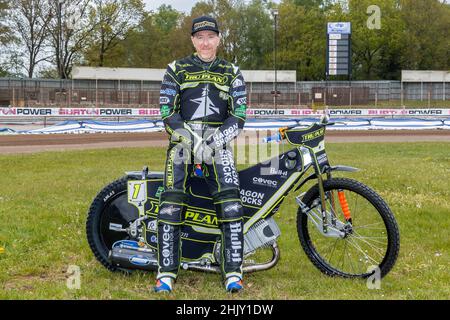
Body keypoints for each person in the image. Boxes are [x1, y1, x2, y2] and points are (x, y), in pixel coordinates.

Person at [154, 16, 247, 293]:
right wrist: (194, 142)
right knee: (171, 203)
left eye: (210, 36)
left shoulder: (232, 71)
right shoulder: (175, 69)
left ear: (219, 38)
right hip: (183, 146)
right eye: (200, 37)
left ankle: (233, 272)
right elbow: (167, 113)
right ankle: (166, 273)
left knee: (231, 203)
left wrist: (214, 142)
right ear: (193, 40)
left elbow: (238, 116)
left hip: (219, 147)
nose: (205, 42)